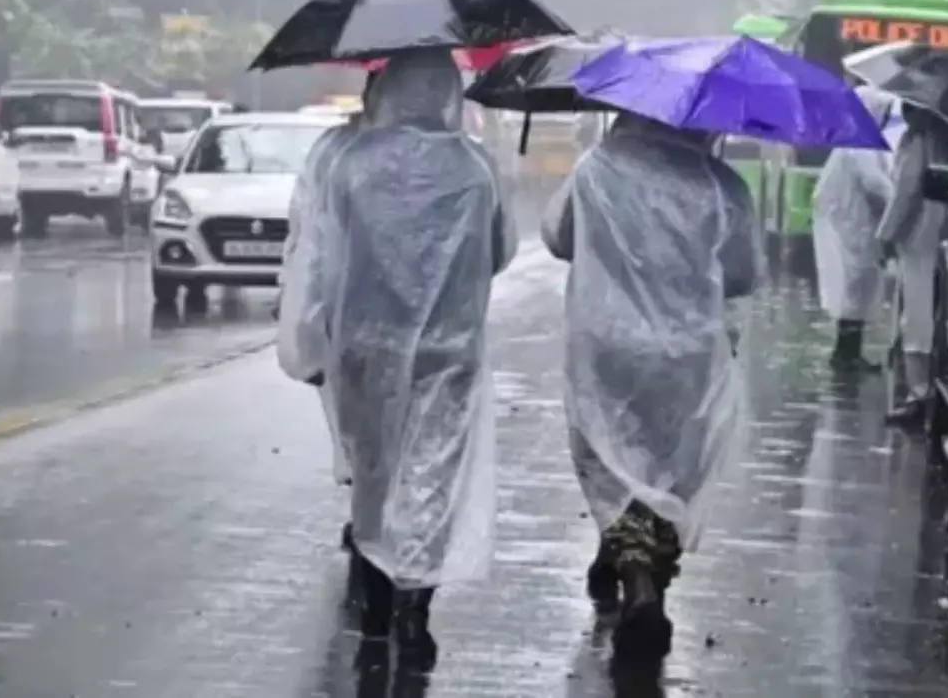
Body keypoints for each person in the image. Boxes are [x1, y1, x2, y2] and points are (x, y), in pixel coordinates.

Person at [320, 48, 515, 668]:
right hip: (447, 350)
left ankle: (377, 598)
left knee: (374, 468)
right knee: (432, 471)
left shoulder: (353, 164)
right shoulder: (475, 169)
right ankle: (416, 602)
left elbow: (328, 255)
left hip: (366, 343)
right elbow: (500, 251)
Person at [541, 113, 757, 661]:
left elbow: (559, 238)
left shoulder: (597, 168)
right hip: (687, 352)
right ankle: (647, 577)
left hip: (607, 342)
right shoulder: (721, 185)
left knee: (610, 459)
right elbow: (743, 274)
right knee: (667, 466)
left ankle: (634, 574)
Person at [275, 73, 376, 551]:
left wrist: (299, 305)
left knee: (357, 423)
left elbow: (305, 233)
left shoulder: (336, 151)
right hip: (429, 328)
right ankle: (382, 531)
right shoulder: (458, 158)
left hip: (345, 315)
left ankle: (368, 521)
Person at [876, 91, 948, 426]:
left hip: (920, 238)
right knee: (935, 314)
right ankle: (932, 389)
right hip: (947, 236)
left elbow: (906, 191)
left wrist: (885, 235)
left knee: (916, 317)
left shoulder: (919, 141)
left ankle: (919, 395)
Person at [812, 87, 900, 372]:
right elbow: (874, 184)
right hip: (850, 227)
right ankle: (846, 355)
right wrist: (899, 204)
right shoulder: (860, 145)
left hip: (854, 225)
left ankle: (848, 353)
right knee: (854, 289)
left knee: (856, 290)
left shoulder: (860, 141)